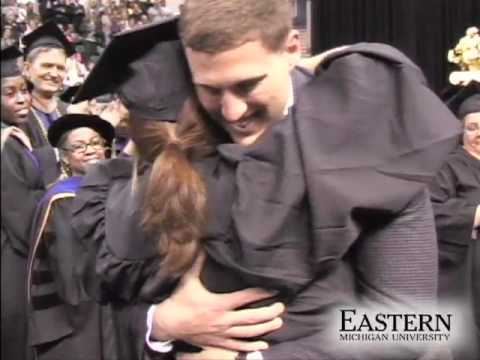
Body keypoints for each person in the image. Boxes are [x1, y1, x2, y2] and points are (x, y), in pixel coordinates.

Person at [147, 1, 461, 359]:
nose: (232, 111)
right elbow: (109, 289)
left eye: (247, 85)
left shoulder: (368, 134)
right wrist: (160, 324)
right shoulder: (175, 135)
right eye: (211, 89)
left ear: (292, 49)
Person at [71, 17, 285, 360]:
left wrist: (158, 325)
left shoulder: (102, 198)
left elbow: (95, 313)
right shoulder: (271, 179)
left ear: (131, 122)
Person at [27, 113, 116, 360]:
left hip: (108, 295)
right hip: (82, 307)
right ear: (65, 157)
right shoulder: (63, 198)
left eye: (96, 143)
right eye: (79, 147)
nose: (90, 150)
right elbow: (70, 265)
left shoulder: (113, 187)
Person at [1, 45, 46, 360]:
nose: (21, 98)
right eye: (9, 92)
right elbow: (23, 221)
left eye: (24, 90)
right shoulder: (3, 146)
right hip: (12, 264)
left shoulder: (27, 130)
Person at [430, 82, 480, 360]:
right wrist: (474, 214)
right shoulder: (448, 166)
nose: (478, 134)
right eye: (472, 127)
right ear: (462, 131)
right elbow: (429, 212)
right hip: (467, 275)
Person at [21, 20, 75, 148]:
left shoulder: (68, 111)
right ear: (27, 68)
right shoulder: (18, 115)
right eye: (47, 66)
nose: (54, 74)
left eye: (60, 68)